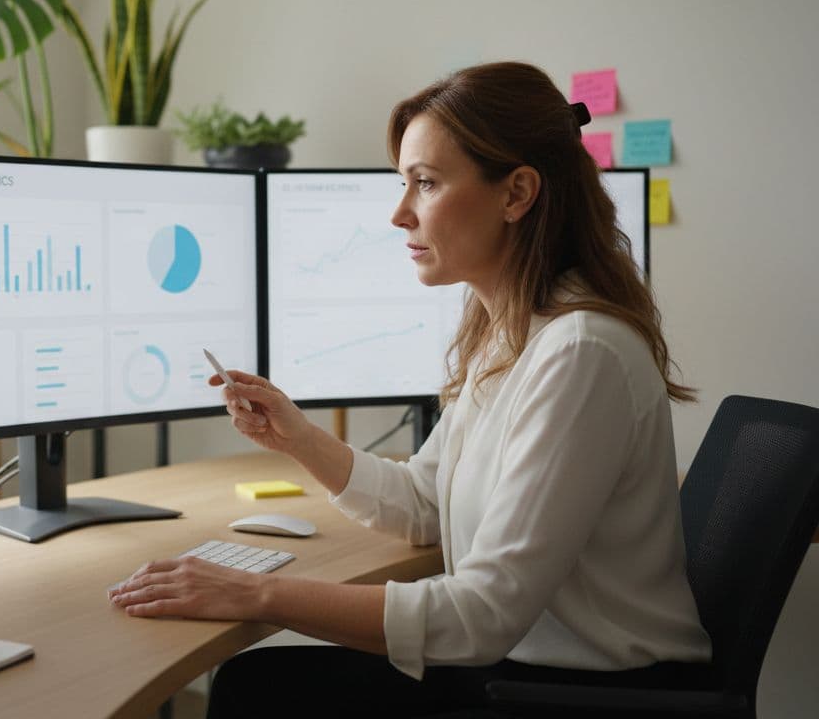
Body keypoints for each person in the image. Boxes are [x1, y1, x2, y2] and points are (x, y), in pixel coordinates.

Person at [107, 62, 712, 716]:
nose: (399, 214)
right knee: (258, 685)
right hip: (525, 667)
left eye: (425, 183)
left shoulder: (581, 353)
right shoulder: (511, 332)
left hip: (588, 696)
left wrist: (254, 595)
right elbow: (426, 502)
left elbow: (483, 614)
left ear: (516, 194)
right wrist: (301, 438)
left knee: (258, 690)